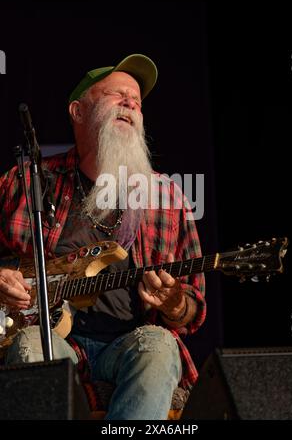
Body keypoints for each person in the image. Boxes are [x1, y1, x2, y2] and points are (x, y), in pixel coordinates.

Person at [0, 54, 206, 420]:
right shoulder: (26, 182)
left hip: (127, 343)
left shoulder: (165, 196)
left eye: (136, 101)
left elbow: (193, 307)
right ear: (78, 112)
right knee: (29, 345)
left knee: (159, 345)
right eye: (116, 95)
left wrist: (175, 303)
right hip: (51, 336)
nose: (130, 102)